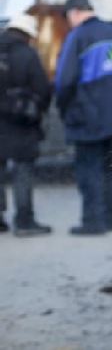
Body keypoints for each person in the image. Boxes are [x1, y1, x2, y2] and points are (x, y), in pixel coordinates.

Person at [55, 0, 112, 235]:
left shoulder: (78, 37)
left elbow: (65, 81)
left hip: (88, 118)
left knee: (89, 170)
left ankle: (93, 222)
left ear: (73, 13)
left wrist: (64, 108)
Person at [0, 13, 53, 236]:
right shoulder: (28, 54)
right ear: (27, 34)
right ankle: (24, 221)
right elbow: (42, 88)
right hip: (22, 123)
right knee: (23, 172)